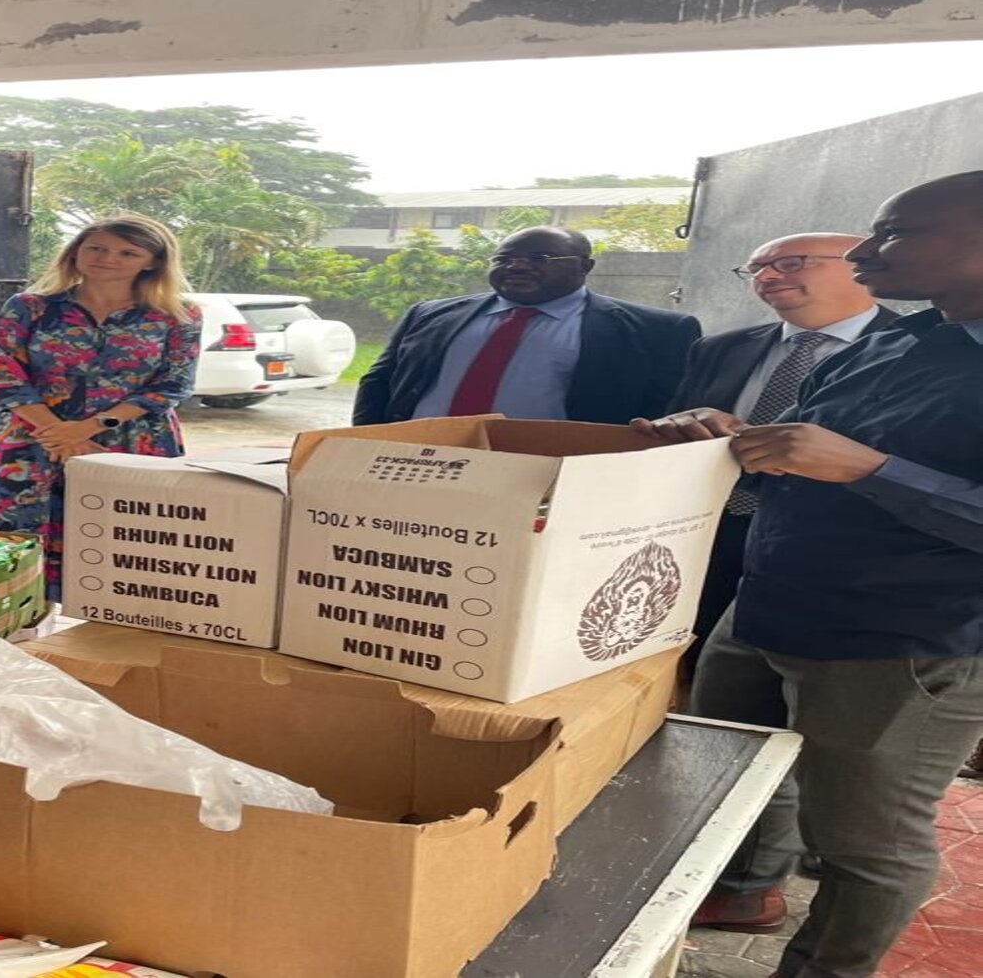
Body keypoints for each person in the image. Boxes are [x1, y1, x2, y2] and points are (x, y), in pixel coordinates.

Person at [633, 172, 983, 978]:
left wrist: (871, 469)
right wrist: (728, 441)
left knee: (863, 844)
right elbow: (802, 462)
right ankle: (745, 887)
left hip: (903, 641)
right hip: (766, 606)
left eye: (896, 232)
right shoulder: (897, 339)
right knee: (722, 781)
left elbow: (857, 467)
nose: (864, 252)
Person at [669, 233, 899, 673]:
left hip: (828, 552)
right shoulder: (721, 347)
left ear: (860, 264)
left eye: (791, 263)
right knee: (693, 665)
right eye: (755, 268)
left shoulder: (919, 350)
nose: (767, 276)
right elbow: (675, 426)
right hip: (709, 527)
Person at [0, 214, 201, 602]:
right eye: (96, 247)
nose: (107, 258)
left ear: (152, 262)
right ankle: (19, 638)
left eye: (127, 252)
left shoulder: (177, 315)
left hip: (132, 443)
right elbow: (4, 374)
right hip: (30, 444)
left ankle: (106, 646)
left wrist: (87, 428)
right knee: (16, 545)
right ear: (77, 251)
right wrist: (57, 433)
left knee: (124, 545)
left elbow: (173, 384)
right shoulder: (30, 307)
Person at [353, 226, 700, 425]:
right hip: (419, 466)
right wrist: (363, 447)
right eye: (504, 258)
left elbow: (665, 413)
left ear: (585, 266)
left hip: (554, 481)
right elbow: (378, 382)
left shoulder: (658, 332)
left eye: (540, 259)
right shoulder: (429, 314)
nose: (517, 266)